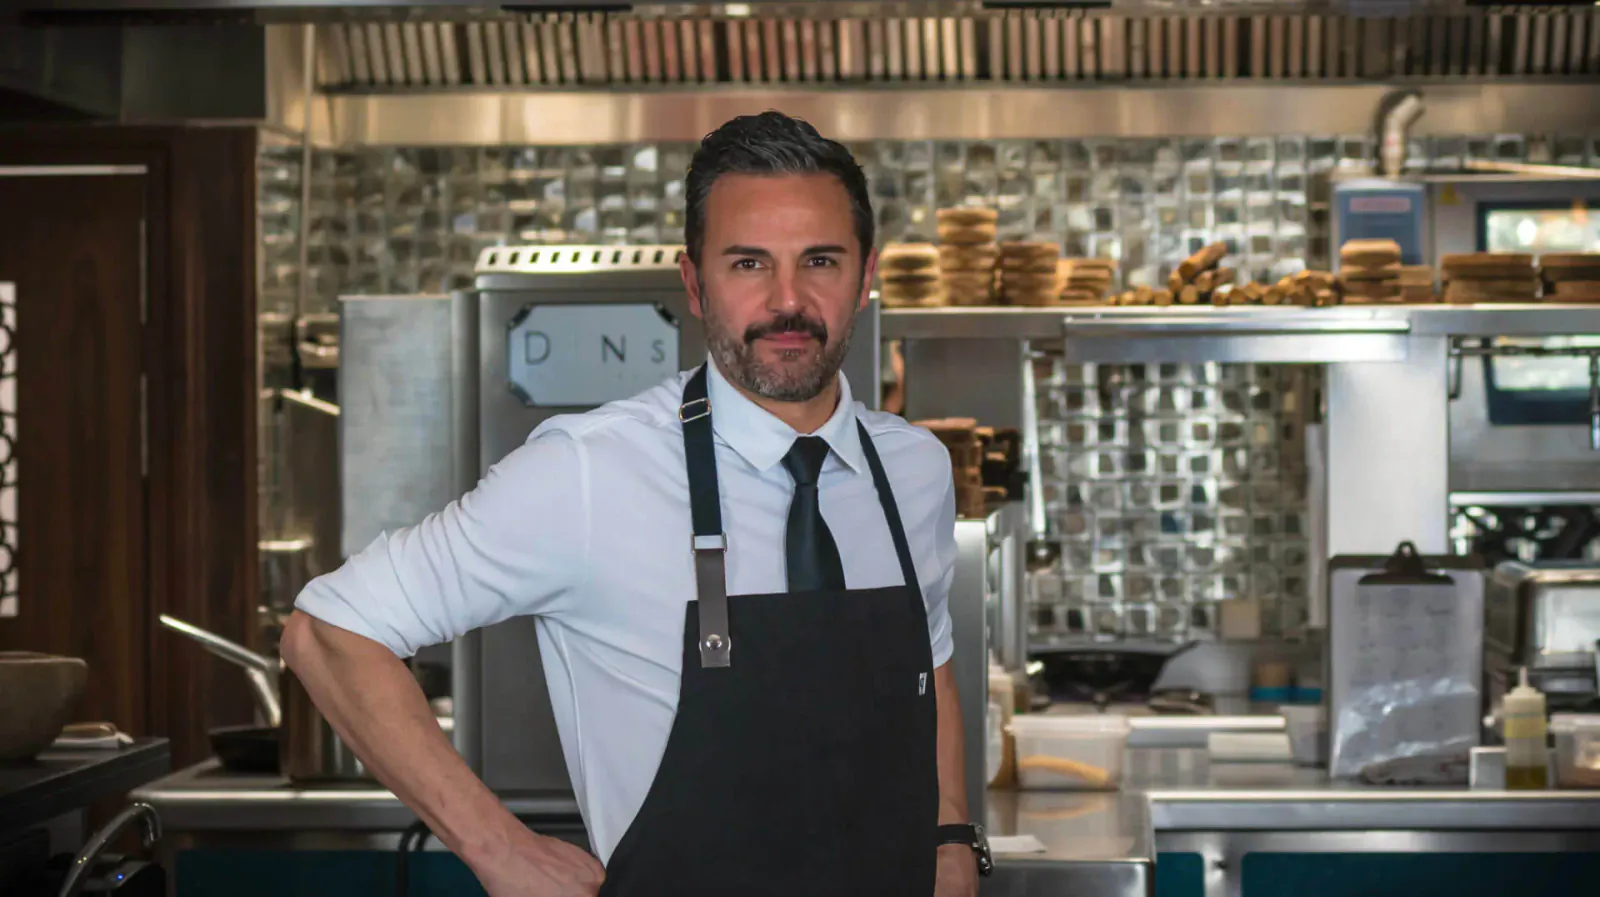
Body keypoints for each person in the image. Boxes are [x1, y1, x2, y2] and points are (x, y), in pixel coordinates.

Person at [280, 110, 987, 896]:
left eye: (819, 260)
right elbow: (327, 630)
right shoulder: (589, 472)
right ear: (694, 283)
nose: (788, 301)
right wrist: (499, 847)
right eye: (748, 263)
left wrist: (951, 831)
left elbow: (930, 660)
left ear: (865, 276)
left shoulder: (914, 470)